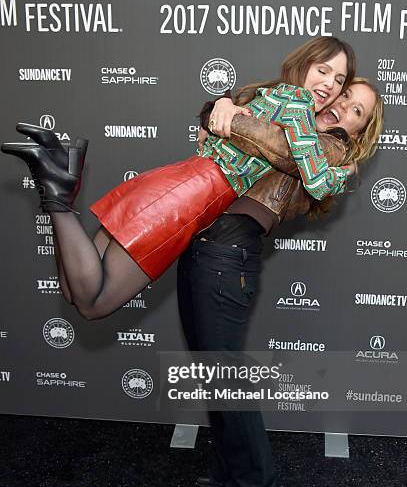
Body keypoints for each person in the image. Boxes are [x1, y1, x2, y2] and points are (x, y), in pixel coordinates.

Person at [1, 38, 357, 324]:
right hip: (189, 199)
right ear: (303, 64)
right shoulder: (298, 111)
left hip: (174, 181)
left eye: (339, 80)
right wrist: (346, 172)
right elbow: (319, 183)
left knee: (73, 288)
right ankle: (58, 193)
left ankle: (57, 171)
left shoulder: (268, 94)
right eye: (323, 70)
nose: (328, 84)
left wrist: (224, 106)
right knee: (93, 302)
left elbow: (221, 120)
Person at [177, 64, 384, 487]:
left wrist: (229, 113)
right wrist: (221, 111)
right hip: (205, 241)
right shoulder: (300, 119)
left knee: (226, 372)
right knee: (213, 371)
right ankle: (229, 466)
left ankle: (255, 480)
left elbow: (280, 148)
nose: (343, 107)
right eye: (345, 95)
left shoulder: (328, 146)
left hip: (229, 254)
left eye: (357, 111)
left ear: (361, 131)